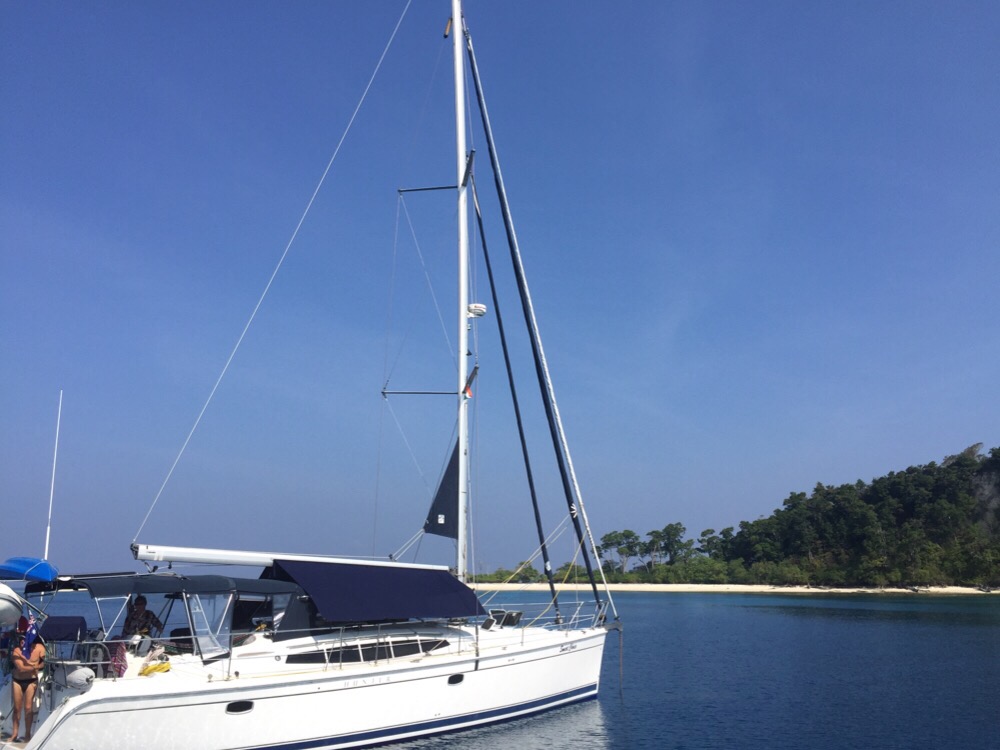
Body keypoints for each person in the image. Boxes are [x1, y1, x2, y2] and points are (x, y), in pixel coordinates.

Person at [10, 632, 46, 743]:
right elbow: (21, 668)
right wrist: (35, 666)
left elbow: (45, 663)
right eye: (21, 639)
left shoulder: (39, 648)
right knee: (17, 709)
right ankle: (14, 734)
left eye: (24, 639)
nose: (22, 641)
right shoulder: (16, 651)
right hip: (17, 681)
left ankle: (27, 734)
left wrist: (38, 665)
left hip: (31, 681)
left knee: (28, 708)